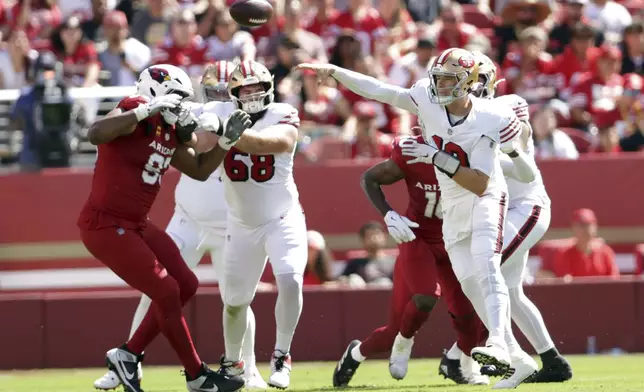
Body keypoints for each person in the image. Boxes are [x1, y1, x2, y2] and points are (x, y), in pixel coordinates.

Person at [297, 47, 536, 389]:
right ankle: (518, 358)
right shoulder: (426, 98)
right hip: (449, 211)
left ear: (469, 83)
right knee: (470, 282)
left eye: (448, 79)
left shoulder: (492, 115)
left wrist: (437, 155)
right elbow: (382, 90)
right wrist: (336, 71)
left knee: (486, 266)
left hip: (484, 197)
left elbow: (483, 181)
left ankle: (497, 344)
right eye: (437, 78)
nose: (438, 85)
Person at [93, 61, 267, 391]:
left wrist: (225, 141)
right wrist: (151, 112)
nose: (184, 104)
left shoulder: (171, 127)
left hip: (175, 223)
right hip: (137, 221)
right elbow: (96, 132)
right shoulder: (140, 110)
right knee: (162, 290)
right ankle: (184, 372)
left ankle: (132, 355)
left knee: (209, 292)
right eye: (177, 98)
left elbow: (199, 166)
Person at [333, 134, 489, 387]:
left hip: (455, 240)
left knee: (469, 315)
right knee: (419, 304)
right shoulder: (413, 151)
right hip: (417, 236)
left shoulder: (473, 148)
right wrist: (389, 215)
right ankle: (379, 347)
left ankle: (458, 364)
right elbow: (370, 178)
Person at [455, 52, 572, 385]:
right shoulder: (461, 117)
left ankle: (490, 352)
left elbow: (518, 148)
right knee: (510, 290)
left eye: (472, 78)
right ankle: (552, 361)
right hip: (507, 210)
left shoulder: (508, 107)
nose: (468, 87)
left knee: (484, 273)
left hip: (527, 205)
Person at [201, 60, 306, 390]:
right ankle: (233, 363)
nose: (253, 94)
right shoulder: (216, 109)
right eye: (245, 88)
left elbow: (273, 144)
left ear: (270, 88)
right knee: (234, 304)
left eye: (258, 87)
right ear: (232, 92)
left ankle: (281, 355)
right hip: (241, 223)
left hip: (282, 217)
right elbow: (193, 131)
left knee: (290, 281)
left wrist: (225, 132)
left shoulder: (284, 113)